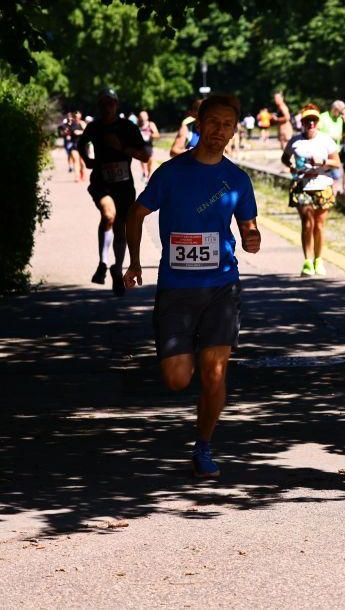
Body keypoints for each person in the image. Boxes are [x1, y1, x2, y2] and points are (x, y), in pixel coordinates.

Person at [123, 94, 261, 479]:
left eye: (227, 125)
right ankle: (194, 363)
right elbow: (136, 213)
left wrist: (252, 239)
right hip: (177, 288)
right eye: (213, 122)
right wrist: (134, 262)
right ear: (199, 124)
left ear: (234, 131)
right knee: (177, 378)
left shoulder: (237, 179)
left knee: (214, 374)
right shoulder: (171, 173)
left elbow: (249, 229)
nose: (219, 131)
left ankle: (203, 446)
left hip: (222, 286)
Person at [78, 88, 149, 296]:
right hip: (101, 182)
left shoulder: (127, 127)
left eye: (110, 103)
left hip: (124, 185)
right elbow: (81, 143)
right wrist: (88, 160)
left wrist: (122, 148)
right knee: (108, 215)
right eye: (103, 103)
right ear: (99, 106)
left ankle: (117, 269)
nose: (106, 107)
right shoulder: (94, 127)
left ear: (116, 105)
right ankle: (102, 263)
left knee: (120, 228)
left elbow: (145, 156)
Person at [281, 104, 341, 276]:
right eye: (307, 120)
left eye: (314, 120)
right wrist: (291, 166)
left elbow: (337, 163)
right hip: (301, 184)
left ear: (318, 122)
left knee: (319, 225)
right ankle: (308, 261)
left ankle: (318, 260)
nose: (311, 123)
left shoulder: (326, 140)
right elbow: (285, 158)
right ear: (302, 123)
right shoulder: (295, 141)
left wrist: (323, 161)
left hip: (322, 184)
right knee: (307, 222)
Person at [318, 100, 345, 192]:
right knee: (324, 177)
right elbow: (316, 133)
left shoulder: (340, 119)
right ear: (334, 109)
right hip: (323, 153)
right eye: (340, 112)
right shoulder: (322, 117)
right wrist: (330, 136)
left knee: (336, 177)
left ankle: (332, 196)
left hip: (335, 154)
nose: (341, 115)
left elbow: (339, 134)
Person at [138, 110, 160, 182]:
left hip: (149, 145)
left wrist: (150, 135)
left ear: (147, 117)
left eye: (144, 116)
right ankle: (145, 173)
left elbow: (157, 135)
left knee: (150, 161)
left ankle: (148, 175)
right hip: (141, 146)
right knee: (142, 160)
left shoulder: (151, 124)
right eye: (141, 116)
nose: (143, 117)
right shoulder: (138, 125)